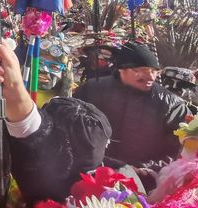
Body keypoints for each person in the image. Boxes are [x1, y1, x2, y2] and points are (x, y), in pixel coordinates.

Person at [0, 39, 113, 204]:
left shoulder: (74, 113)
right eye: (41, 63)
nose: (44, 71)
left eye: (54, 67)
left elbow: (45, 145)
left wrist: (18, 103)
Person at [74, 41, 192, 175]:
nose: (150, 77)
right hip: (92, 170)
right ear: (121, 69)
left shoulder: (170, 104)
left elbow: (180, 147)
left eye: (154, 71)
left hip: (145, 179)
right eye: (141, 71)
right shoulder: (92, 90)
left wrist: (147, 169)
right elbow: (74, 130)